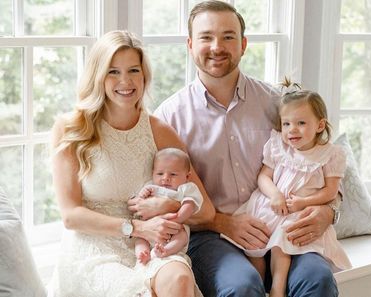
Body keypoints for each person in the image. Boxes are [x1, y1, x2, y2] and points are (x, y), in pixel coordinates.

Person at [151, 1, 342, 296]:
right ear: (190, 45)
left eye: (228, 36)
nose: (217, 46)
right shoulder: (168, 117)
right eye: (206, 37)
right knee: (241, 287)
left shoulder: (278, 103)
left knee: (318, 279)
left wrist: (329, 212)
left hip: (283, 225)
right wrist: (222, 222)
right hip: (213, 238)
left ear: (243, 44)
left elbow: (326, 165)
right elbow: (163, 195)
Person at [50, 30, 214, 297]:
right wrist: (137, 227)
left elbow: (206, 211)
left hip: (153, 242)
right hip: (96, 246)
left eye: (133, 70)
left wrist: (170, 205)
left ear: (144, 76)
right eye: (113, 72)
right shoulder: (71, 129)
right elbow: (70, 216)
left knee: (179, 279)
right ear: (98, 76)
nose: (125, 81)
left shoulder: (160, 131)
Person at [221, 79, 352, 297]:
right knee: (254, 243)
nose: (292, 130)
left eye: (301, 123)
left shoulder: (330, 154)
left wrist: (303, 202)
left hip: (298, 211)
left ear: (320, 125)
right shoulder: (279, 147)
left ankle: (277, 289)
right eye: (286, 124)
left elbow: (331, 192)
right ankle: (259, 280)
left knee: (283, 242)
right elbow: (264, 176)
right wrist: (275, 195)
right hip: (272, 205)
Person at [134, 147, 203, 264]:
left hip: (174, 227)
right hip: (149, 227)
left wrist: (177, 218)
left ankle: (165, 251)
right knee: (140, 239)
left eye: (173, 174)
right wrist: (142, 195)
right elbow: (139, 203)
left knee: (182, 236)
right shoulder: (151, 186)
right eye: (160, 173)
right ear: (153, 173)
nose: (165, 178)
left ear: (187, 176)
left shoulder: (186, 188)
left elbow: (190, 204)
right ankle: (143, 254)